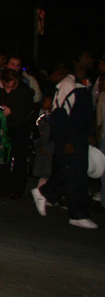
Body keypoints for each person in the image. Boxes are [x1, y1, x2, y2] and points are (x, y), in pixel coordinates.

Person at [32, 50, 98, 229]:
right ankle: (77, 214)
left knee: (73, 173)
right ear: (77, 60)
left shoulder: (85, 84)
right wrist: (66, 140)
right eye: (87, 56)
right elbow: (58, 114)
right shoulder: (67, 84)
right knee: (76, 176)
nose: (90, 60)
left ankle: (44, 193)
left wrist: (90, 132)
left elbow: (84, 114)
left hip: (80, 136)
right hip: (69, 136)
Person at [0, 68, 35, 198]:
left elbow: (29, 108)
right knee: (3, 158)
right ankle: (2, 188)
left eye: (15, 83)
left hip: (20, 128)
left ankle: (17, 190)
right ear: (3, 81)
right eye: (11, 84)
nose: (13, 86)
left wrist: (12, 111)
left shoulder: (23, 90)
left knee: (19, 159)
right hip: (3, 129)